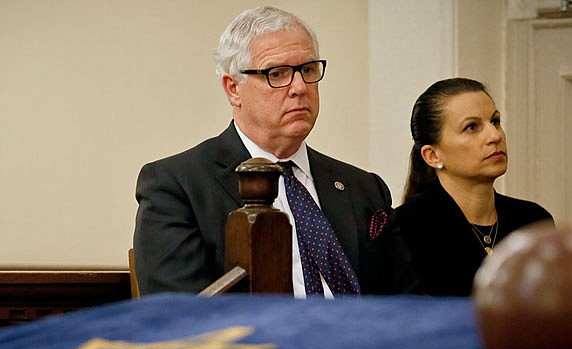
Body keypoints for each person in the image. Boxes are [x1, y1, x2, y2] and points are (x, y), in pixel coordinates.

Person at [134, 6, 420, 298]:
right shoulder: (177, 185)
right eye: (277, 73)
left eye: (307, 70)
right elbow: (177, 312)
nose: (299, 87)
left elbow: (406, 300)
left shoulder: (364, 188)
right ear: (233, 89)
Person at [395, 77, 555, 297]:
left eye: (495, 121)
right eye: (471, 127)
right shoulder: (405, 229)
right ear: (433, 155)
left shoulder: (533, 221)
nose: (495, 136)